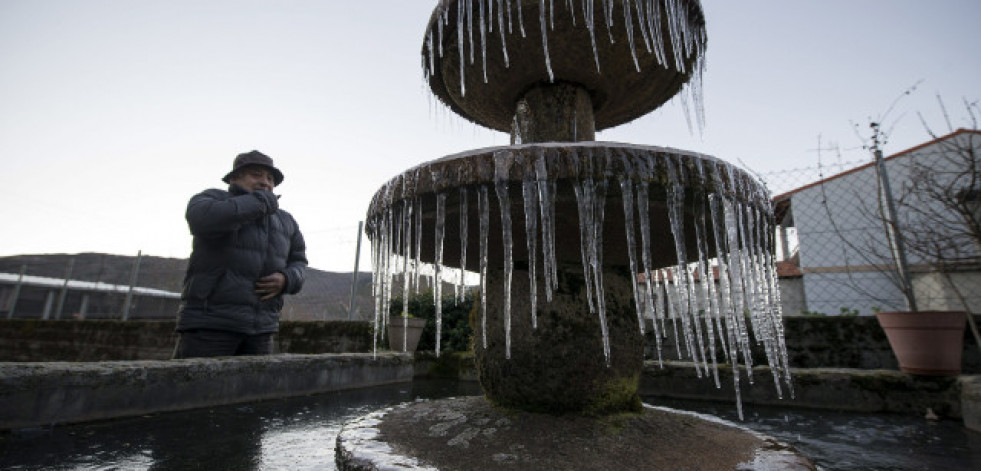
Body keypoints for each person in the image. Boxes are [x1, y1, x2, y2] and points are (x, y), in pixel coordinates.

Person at [173, 150, 307, 358]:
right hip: (210, 326)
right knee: (196, 389)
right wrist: (260, 202)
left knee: (254, 390)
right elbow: (203, 220)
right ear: (235, 177)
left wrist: (287, 279)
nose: (265, 182)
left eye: (270, 178)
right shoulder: (210, 199)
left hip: (262, 330)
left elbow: (299, 262)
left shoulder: (286, 221)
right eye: (256, 175)